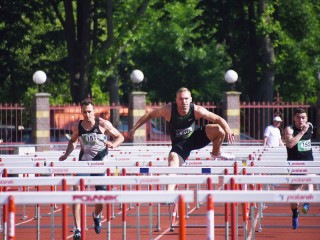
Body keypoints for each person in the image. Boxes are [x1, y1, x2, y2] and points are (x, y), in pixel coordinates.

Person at [129, 87, 235, 190]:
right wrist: (134, 128)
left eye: (186, 99)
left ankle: (215, 153)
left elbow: (218, 118)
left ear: (190, 99)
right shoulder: (168, 110)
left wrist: (228, 130)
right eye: (181, 99)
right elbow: (150, 114)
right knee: (172, 161)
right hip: (180, 145)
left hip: (195, 138)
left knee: (219, 130)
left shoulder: (197, 110)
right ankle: (169, 194)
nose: (184, 101)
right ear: (176, 100)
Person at [59, 99, 124, 240]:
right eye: (84, 112)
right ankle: (77, 228)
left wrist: (113, 144)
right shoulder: (78, 127)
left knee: (101, 197)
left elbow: (120, 137)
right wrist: (66, 154)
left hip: (101, 163)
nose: (87, 114)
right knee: (76, 189)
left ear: (94, 111)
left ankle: (96, 215)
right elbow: (73, 141)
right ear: (81, 112)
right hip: (84, 162)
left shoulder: (103, 124)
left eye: (89, 111)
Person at [284, 107, 314, 230]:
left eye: (303, 117)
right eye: (298, 117)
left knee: (311, 180)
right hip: (295, 165)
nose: (301, 120)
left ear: (306, 119)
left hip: (308, 162)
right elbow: (290, 144)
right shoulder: (289, 129)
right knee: (293, 196)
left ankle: (306, 204)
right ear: (294, 118)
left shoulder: (310, 126)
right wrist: (301, 132)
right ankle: (295, 213)